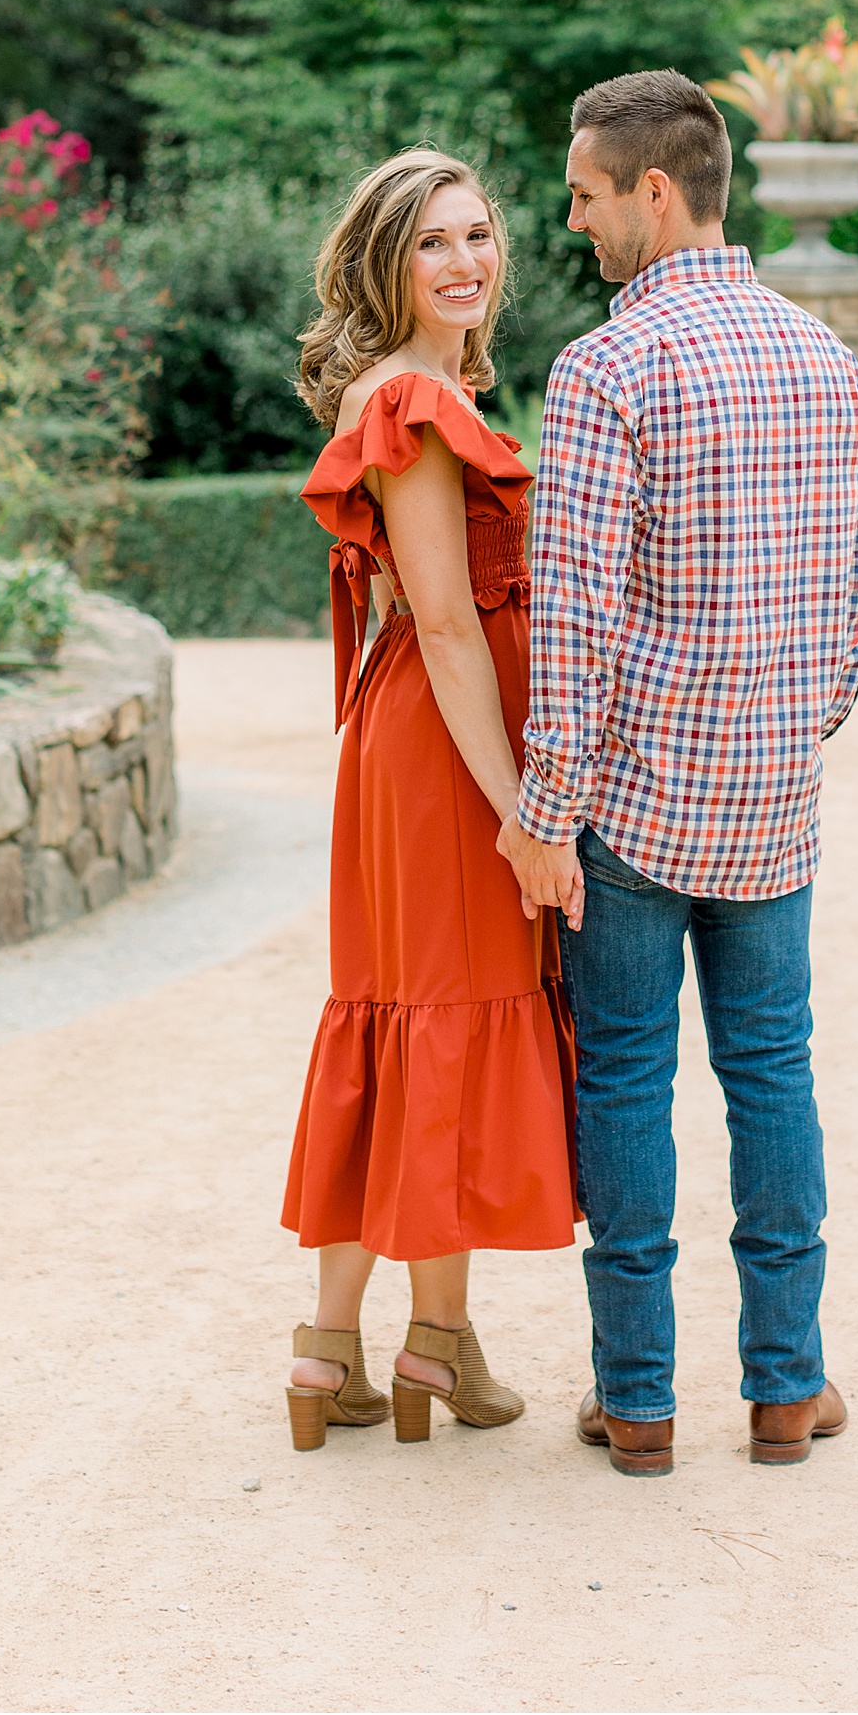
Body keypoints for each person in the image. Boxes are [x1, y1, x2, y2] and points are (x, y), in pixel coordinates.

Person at [495, 69, 858, 1476]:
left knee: (630, 1085)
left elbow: (578, 624)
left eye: (588, 192)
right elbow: (853, 609)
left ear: (656, 192)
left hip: (638, 817)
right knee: (774, 1074)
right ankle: (787, 1386)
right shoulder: (824, 358)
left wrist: (547, 816)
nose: (576, 217)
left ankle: (640, 1399)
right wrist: (787, 734)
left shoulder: (607, 371)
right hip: (775, 807)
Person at [281, 149, 579, 1452]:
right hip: (451, 748)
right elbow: (449, 625)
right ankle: (425, 1345)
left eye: (480, 234)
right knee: (445, 1019)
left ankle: (342, 1349)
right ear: (386, 264)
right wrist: (520, 811)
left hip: (414, 739)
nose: (467, 260)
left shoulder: (410, 388)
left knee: (406, 1022)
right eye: (433, 243)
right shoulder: (411, 397)